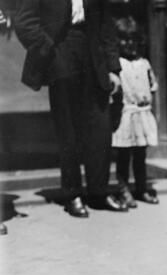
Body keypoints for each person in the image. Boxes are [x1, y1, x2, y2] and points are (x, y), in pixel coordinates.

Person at [13, 0, 128, 217]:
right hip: (60, 52)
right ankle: (72, 194)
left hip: (93, 54)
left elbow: (106, 25)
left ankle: (98, 192)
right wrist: (48, 49)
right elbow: (24, 22)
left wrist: (113, 68)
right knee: (68, 130)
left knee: (100, 127)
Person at [111, 17, 159, 208]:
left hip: (142, 114)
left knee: (140, 155)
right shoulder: (118, 64)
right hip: (125, 115)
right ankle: (124, 190)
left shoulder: (144, 63)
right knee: (124, 156)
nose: (129, 44)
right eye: (124, 39)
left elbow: (152, 87)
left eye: (133, 40)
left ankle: (142, 188)